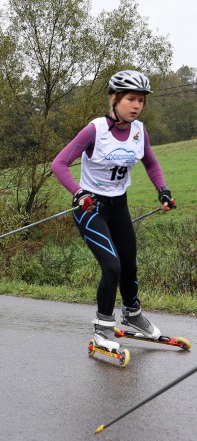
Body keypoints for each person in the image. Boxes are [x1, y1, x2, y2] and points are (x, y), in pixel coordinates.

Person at [51, 70, 176, 353]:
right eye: (131, 99)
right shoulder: (95, 130)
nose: (136, 106)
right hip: (89, 207)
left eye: (141, 101)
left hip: (118, 204)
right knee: (112, 267)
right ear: (115, 99)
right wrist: (79, 192)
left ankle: (132, 315)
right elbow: (59, 164)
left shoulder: (138, 131)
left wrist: (163, 190)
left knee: (129, 264)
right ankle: (102, 327)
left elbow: (152, 164)